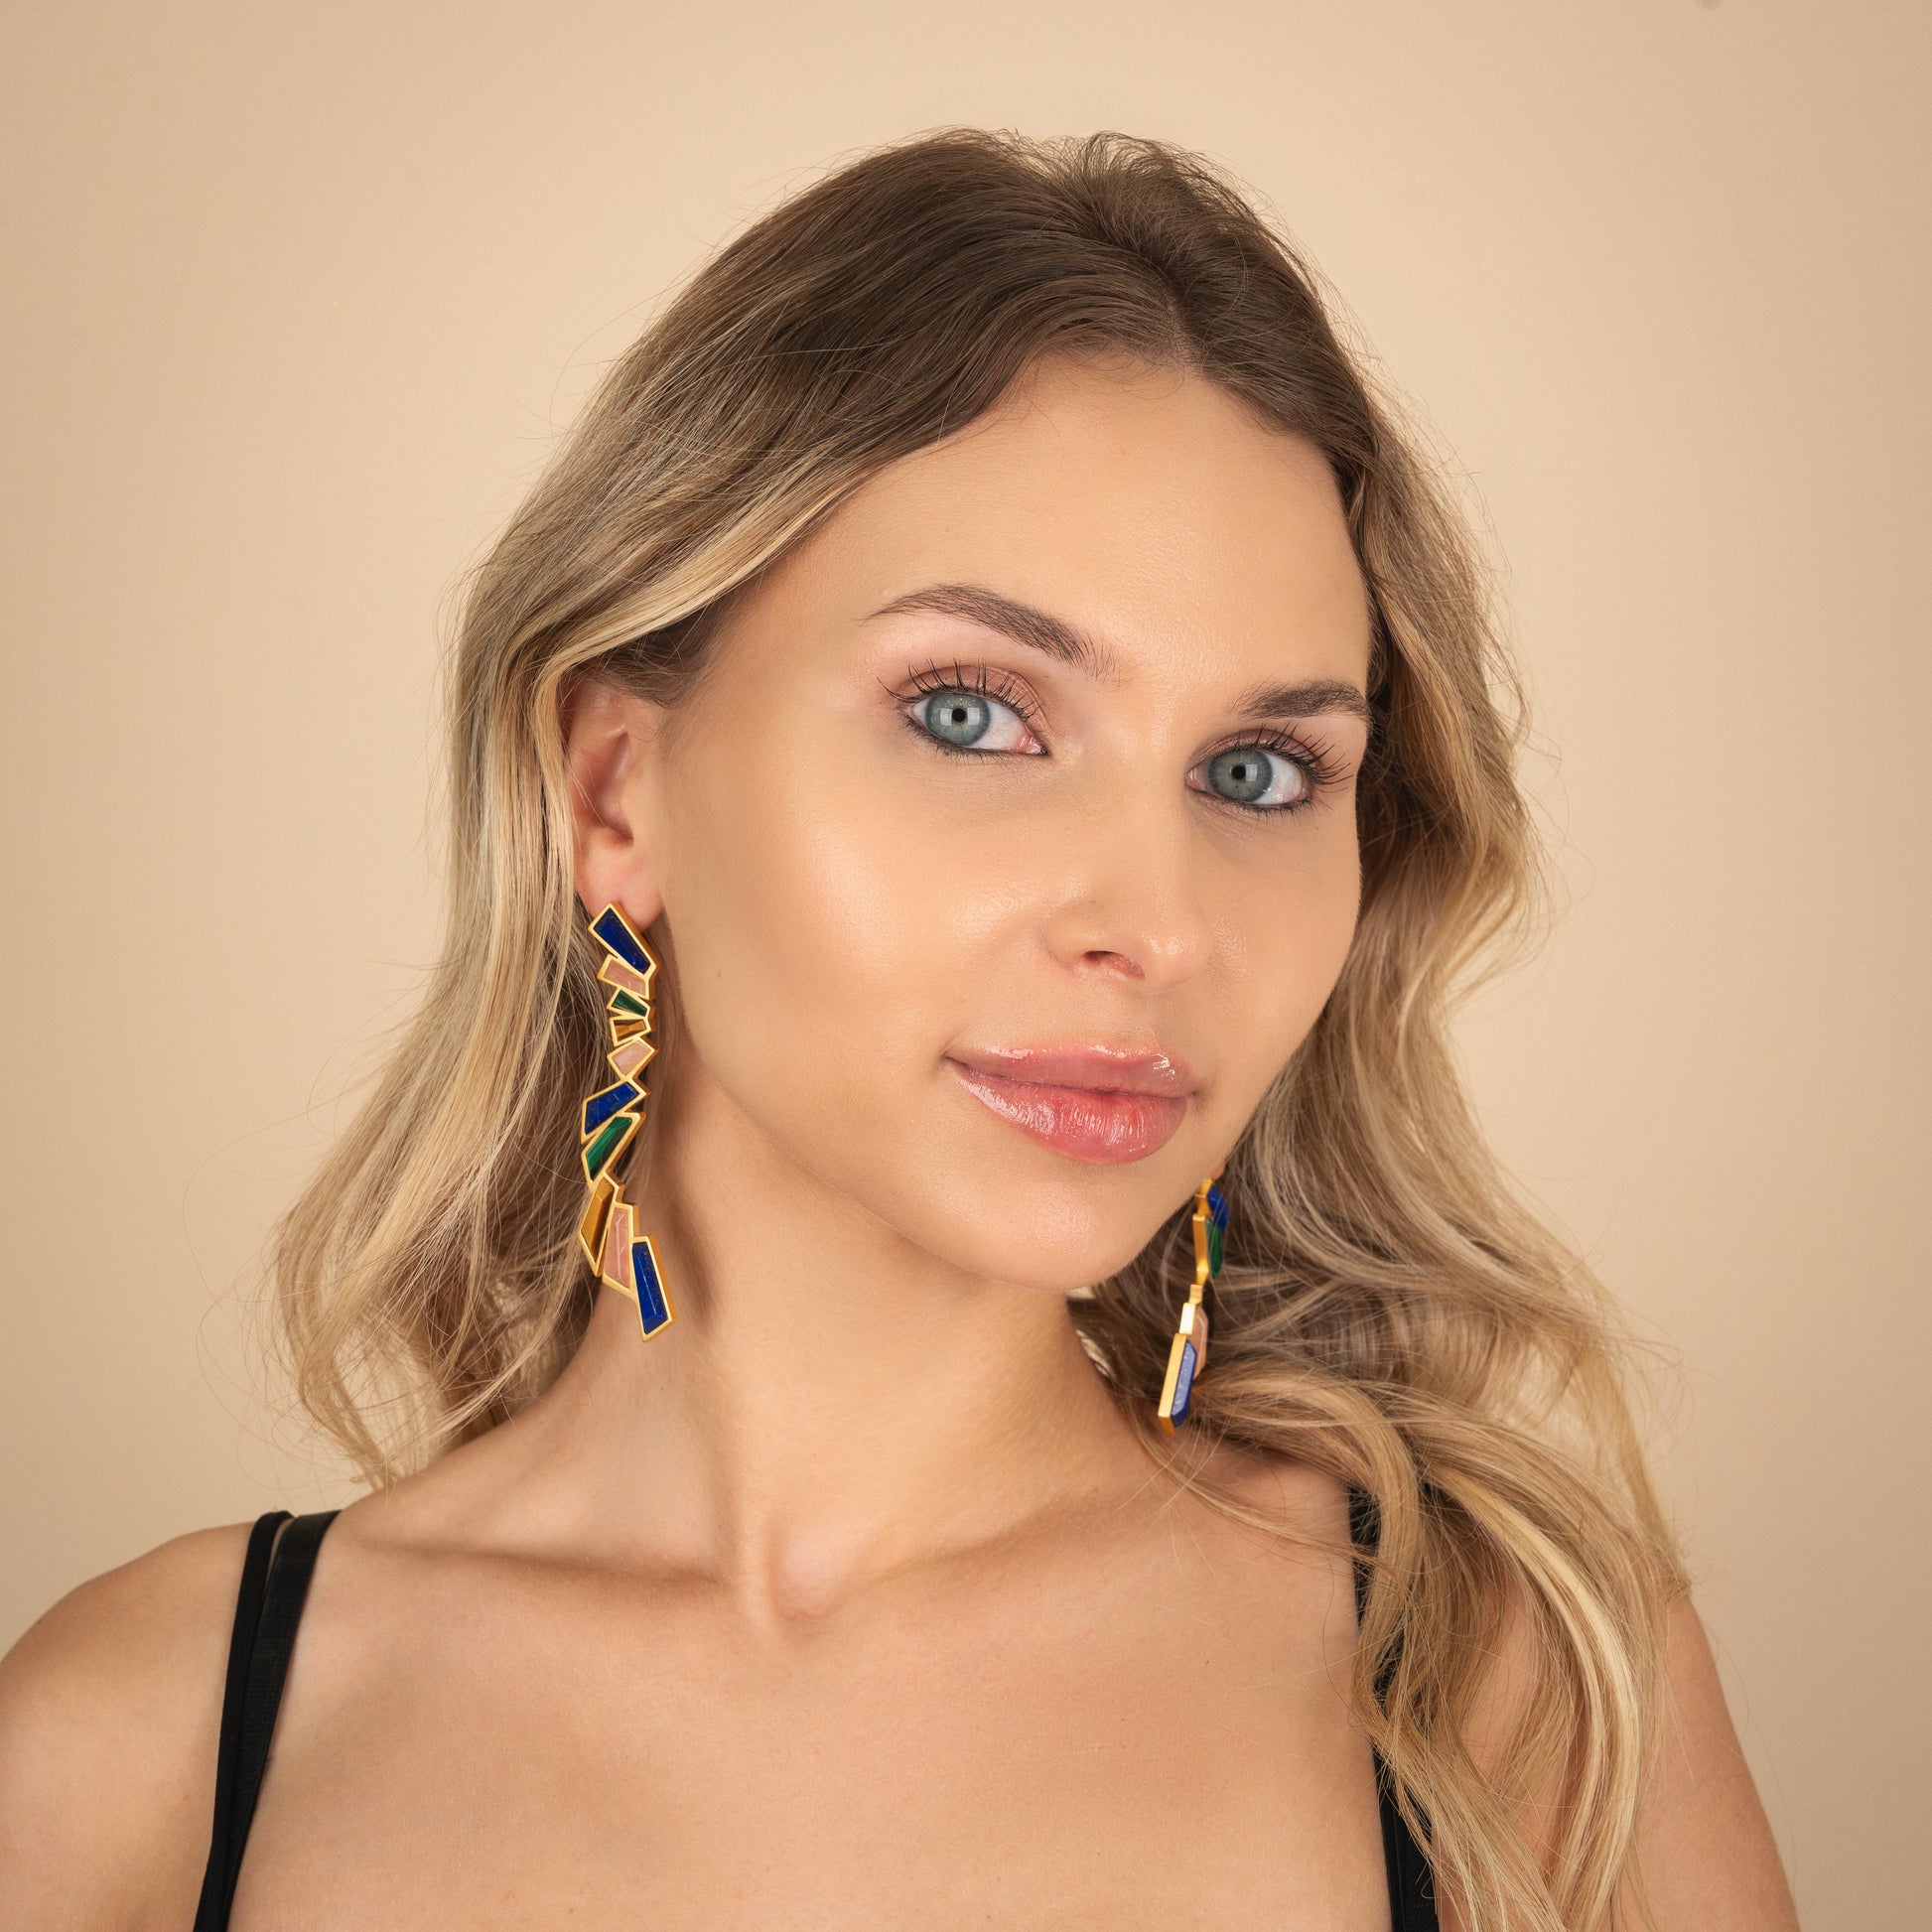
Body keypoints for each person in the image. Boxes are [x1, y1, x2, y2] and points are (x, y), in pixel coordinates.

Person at [0, 129, 1798, 1931]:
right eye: (970, 713)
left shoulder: (1506, 1689)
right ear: (614, 790)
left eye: (1259, 770)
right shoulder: (139, 1748)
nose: (1160, 922)